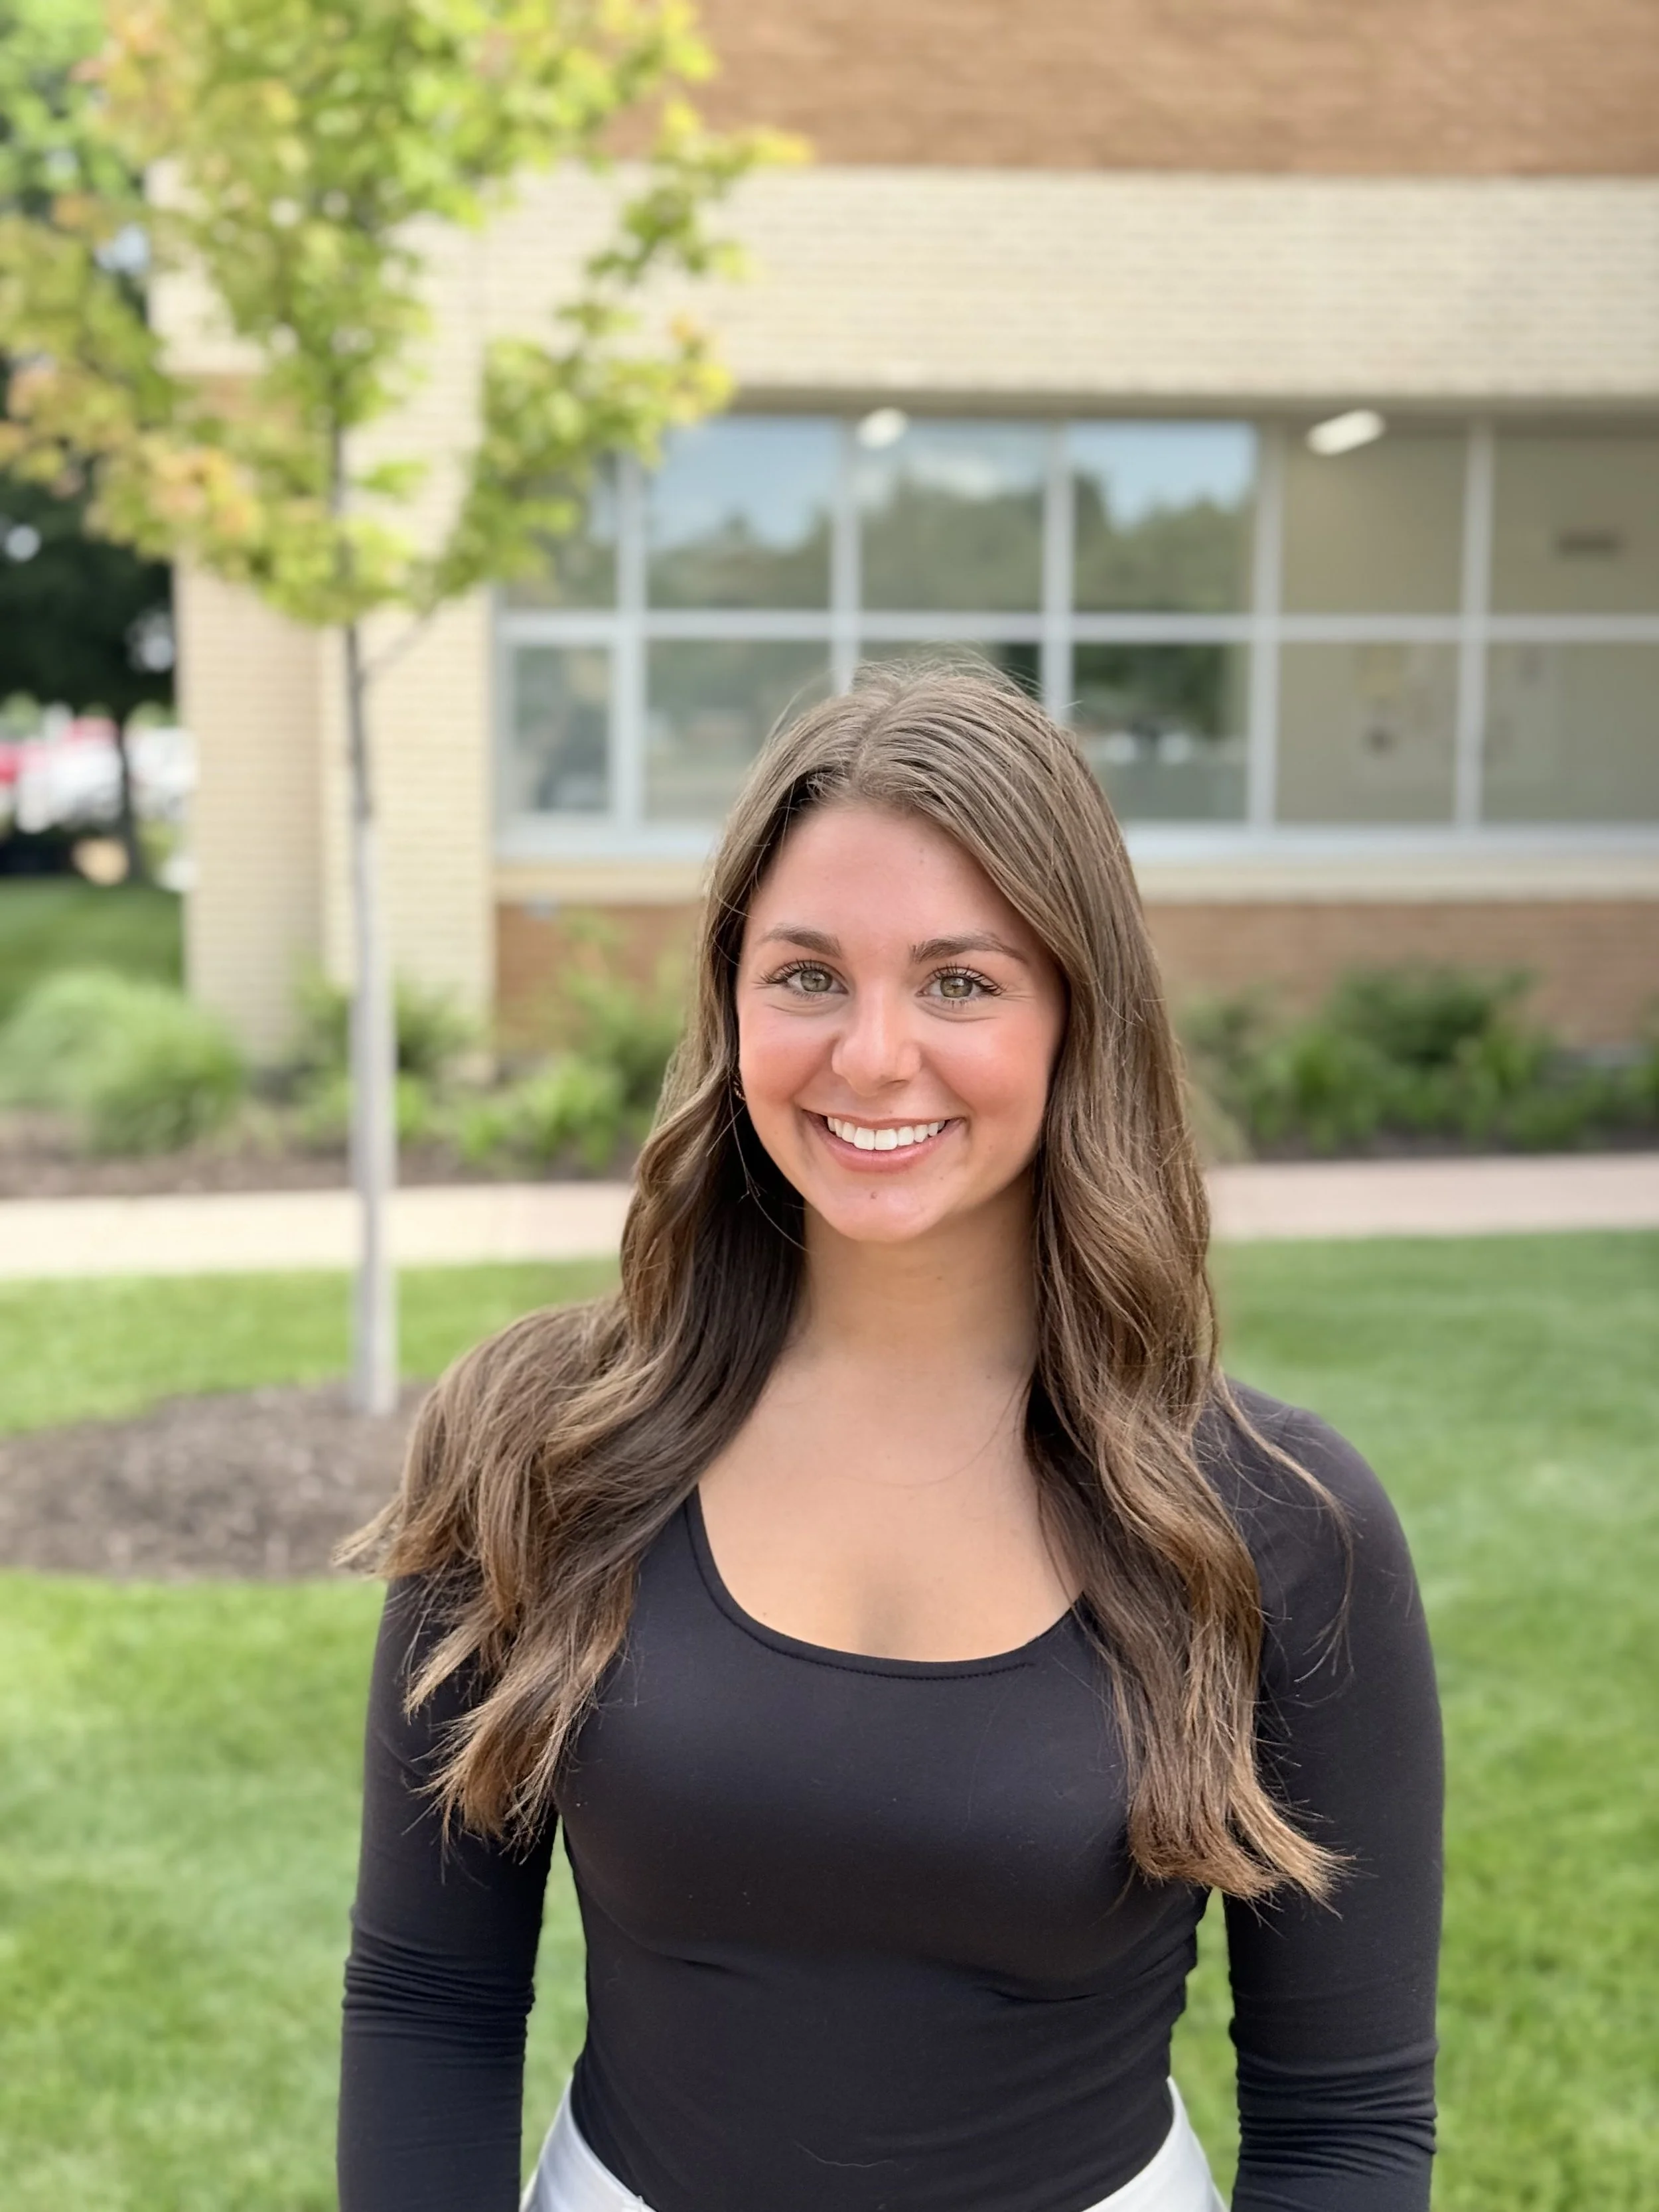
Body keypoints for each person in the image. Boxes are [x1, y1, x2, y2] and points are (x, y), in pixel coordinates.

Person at [337, 664, 1442, 2212]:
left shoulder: (1274, 1520)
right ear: (730, 1001)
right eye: (805, 974)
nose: (869, 1054)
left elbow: (1345, 2124)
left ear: (1075, 1011)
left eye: (959, 981)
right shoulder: (535, 1451)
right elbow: (425, 2002)